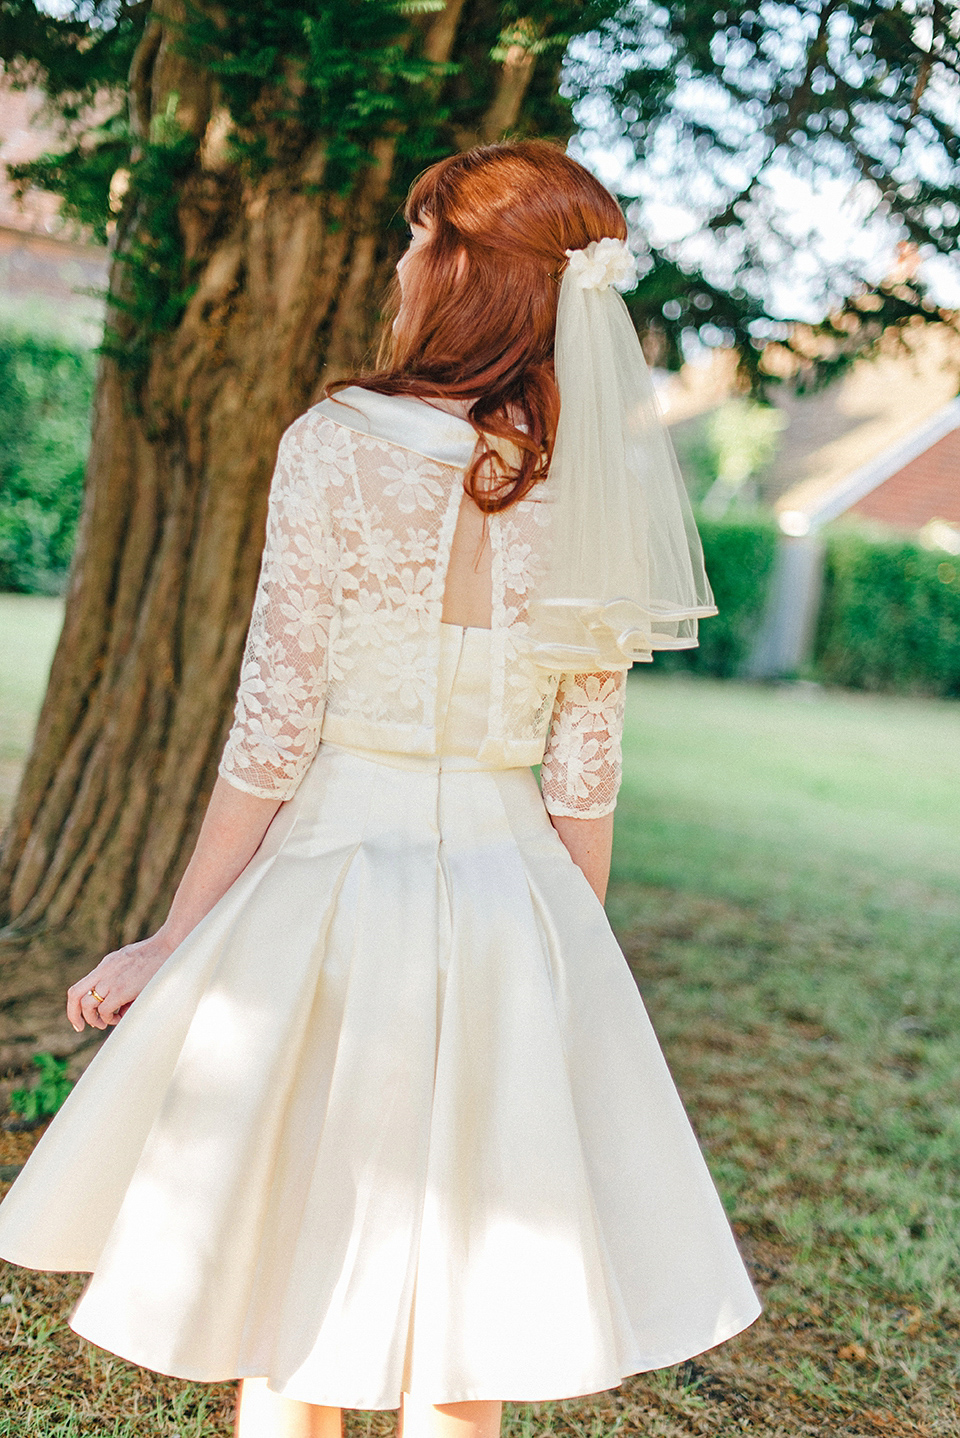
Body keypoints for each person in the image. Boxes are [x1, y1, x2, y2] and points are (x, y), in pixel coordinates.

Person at [0, 140, 760, 1438]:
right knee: (468, 1315)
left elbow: (273, 728)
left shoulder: (333, 445)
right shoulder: (592, 486)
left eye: (422, 238)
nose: (401, 261)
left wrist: (174, 941)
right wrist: (570, 955)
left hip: (337, 879)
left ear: (470, 276)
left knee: (295, 1298)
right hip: (516, 892)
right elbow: (587, 764)